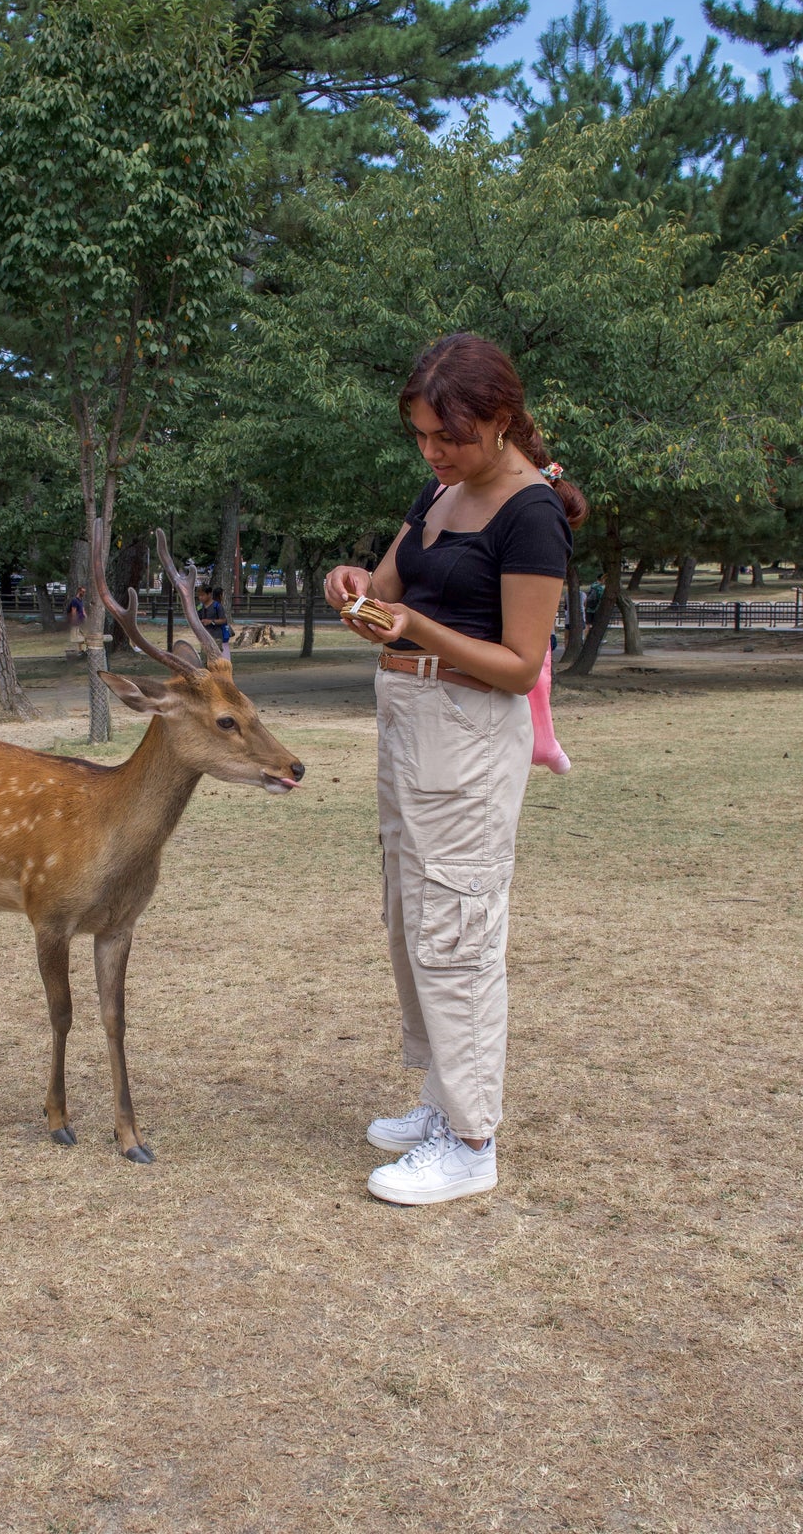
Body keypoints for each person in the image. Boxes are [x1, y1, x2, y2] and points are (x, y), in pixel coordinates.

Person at [323, 331, 588, 1207]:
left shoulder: (531, 514)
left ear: (501, 420)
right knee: (415, 912)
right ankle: (443, 1101)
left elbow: (517, 665)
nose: (434, 452)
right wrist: (356, 588)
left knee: (458, 926)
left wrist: (417, 633)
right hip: (408, 719)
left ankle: (472, 1141)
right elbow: (391, 592)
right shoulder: (441, 492)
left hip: (469, 730)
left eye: (451, 437)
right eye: (423, 436)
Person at [199, 584, 232, 660]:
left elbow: (223, 620)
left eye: (202, 595)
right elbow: (197, 617)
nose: (200, 597)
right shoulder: (200, 606)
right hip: (205, 637)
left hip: (216, 637)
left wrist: (211, 622)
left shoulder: (217, 606)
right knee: (204, 659)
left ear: (209, 594)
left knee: (215, 660)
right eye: (199, 595)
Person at [64, 588, 86, 657]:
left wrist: (87, 618)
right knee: (76, 637)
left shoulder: (81, 601)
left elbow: (83, 611)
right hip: (76, 621)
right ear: (79, 591)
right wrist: (74, 620)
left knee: (83, 635)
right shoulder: (74, 600)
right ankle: (80, 650)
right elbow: (73, 611)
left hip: (81, 621)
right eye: (82, 591)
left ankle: (82, 650)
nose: (84, 593)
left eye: (84, 592)